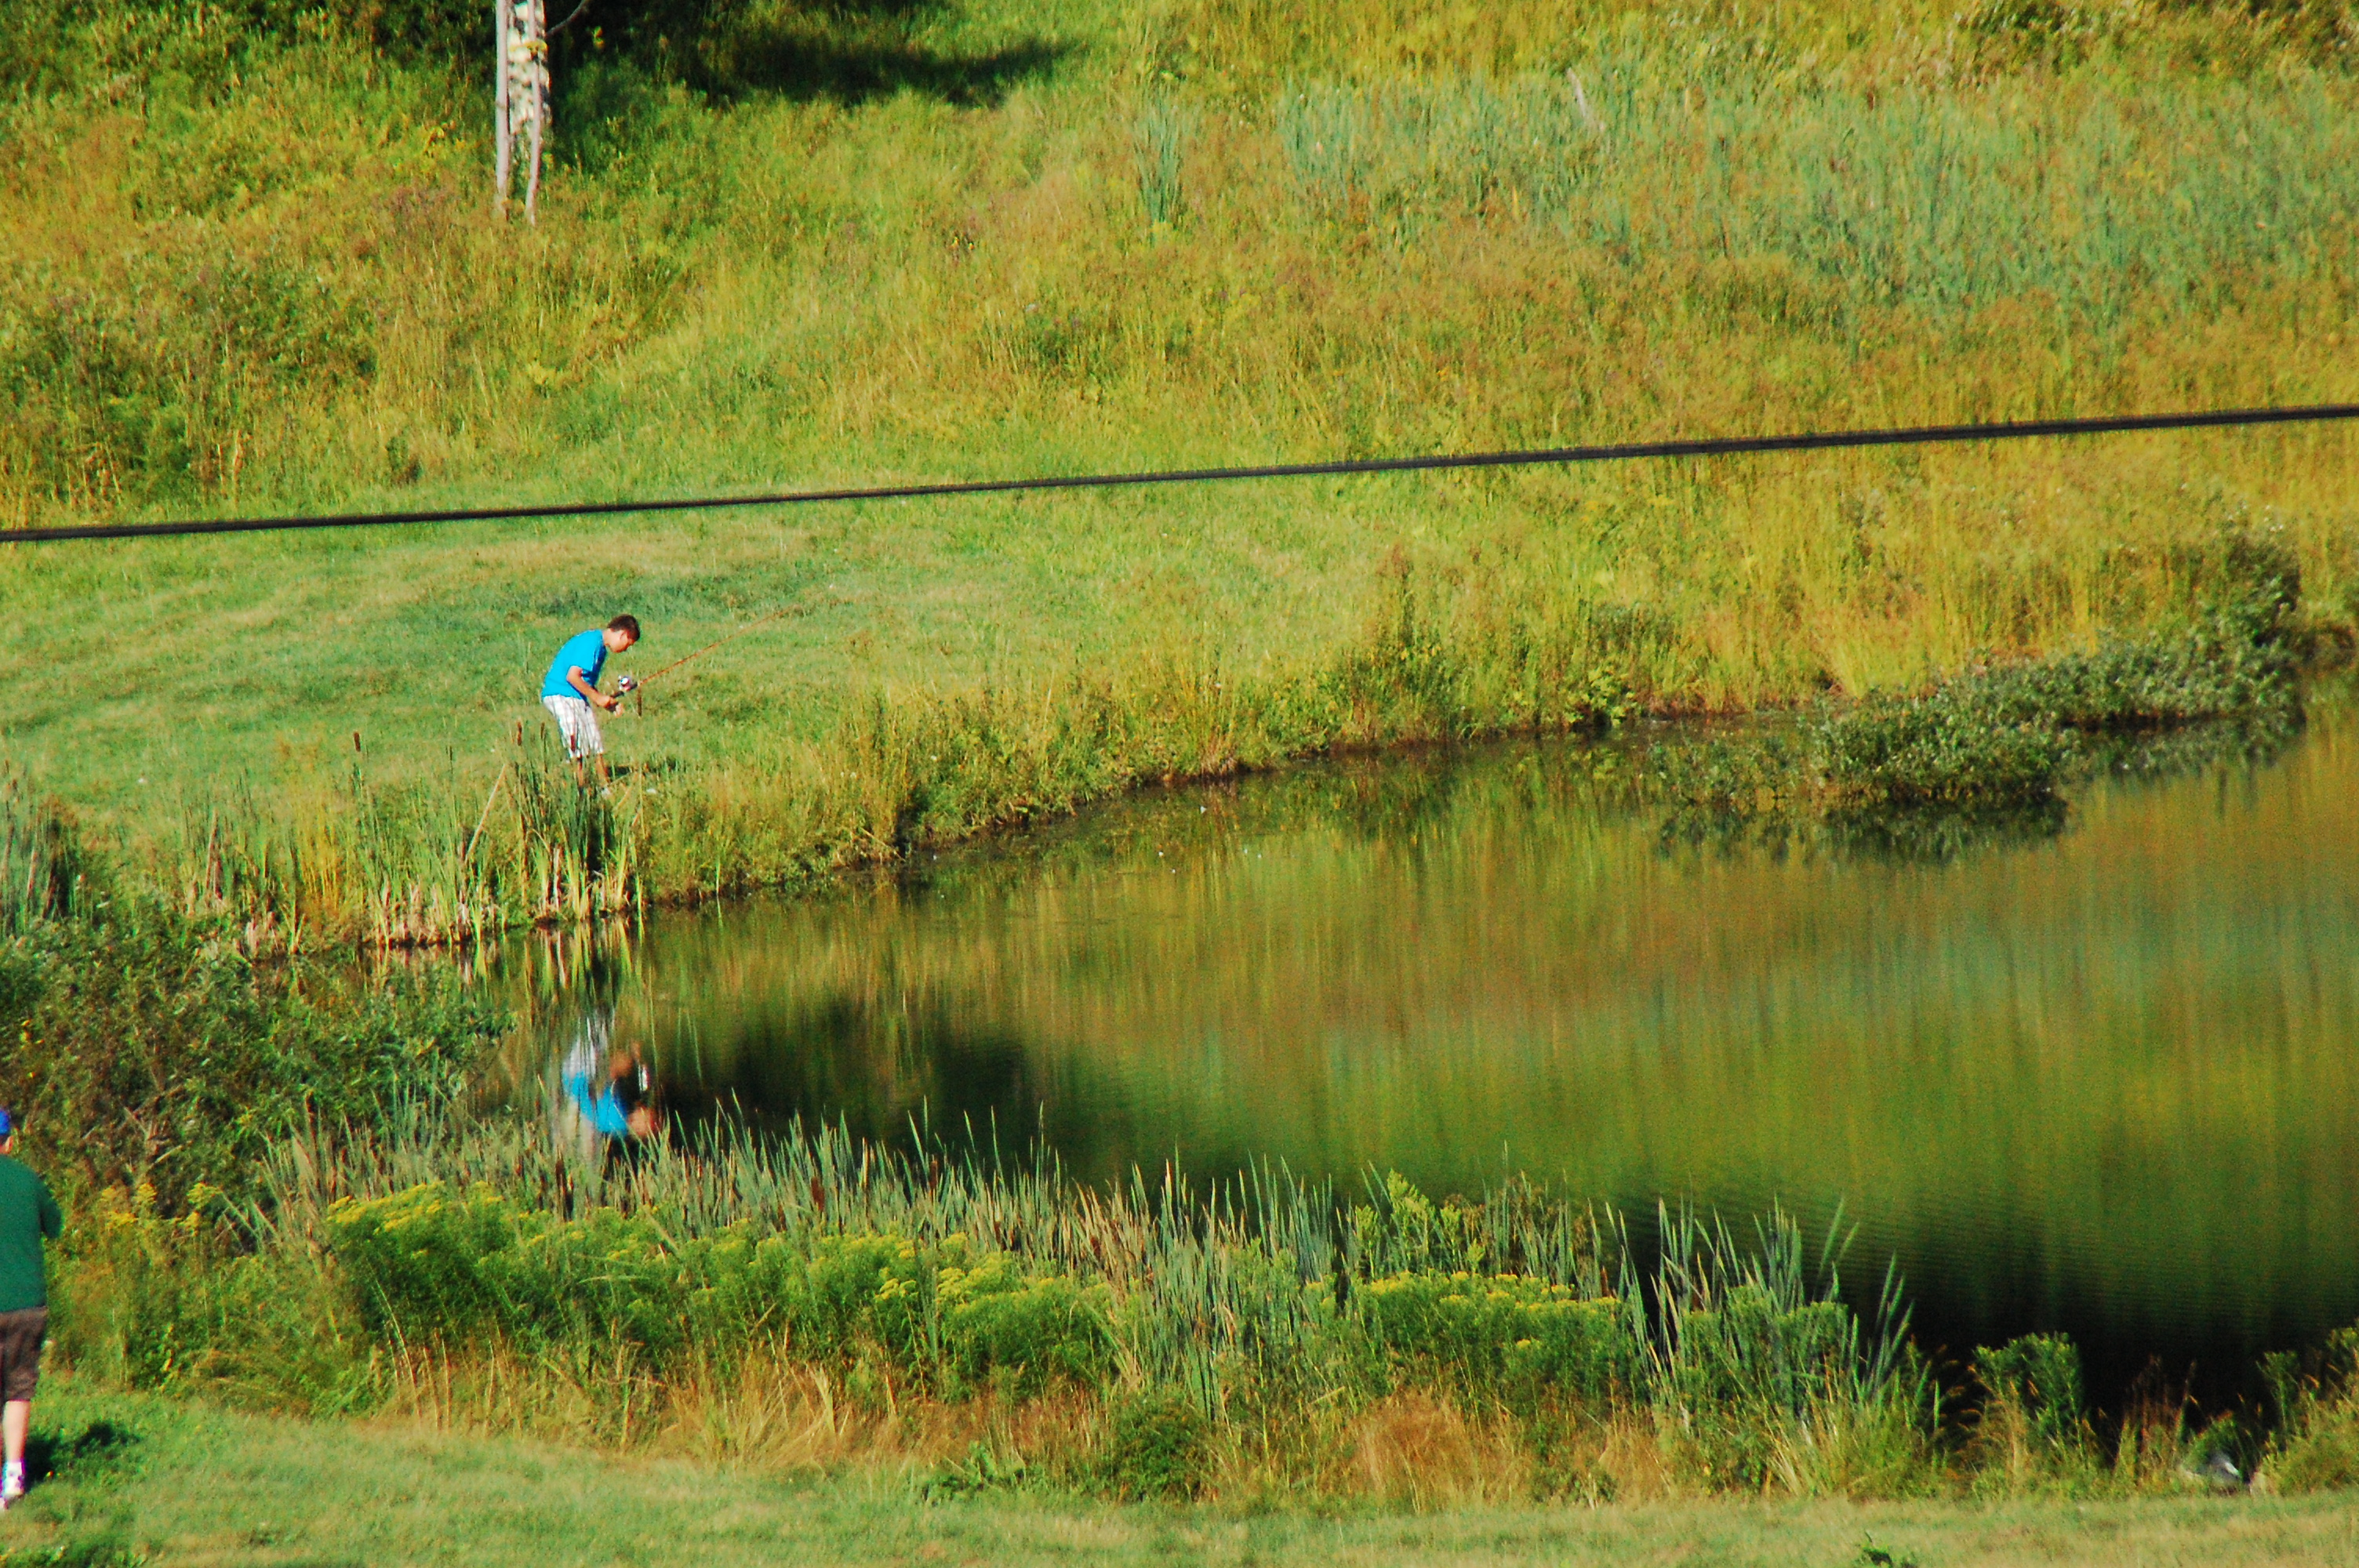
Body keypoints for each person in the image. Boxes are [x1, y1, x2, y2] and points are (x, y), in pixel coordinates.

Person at [0, 1110, 61, 1511]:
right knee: (18, 1389)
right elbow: (55, 1226)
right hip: (27, 1304)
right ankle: (13, 1476)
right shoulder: (28, 1179)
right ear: (9, 1141)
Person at [540, 615, 641, 782]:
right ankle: (579, 787)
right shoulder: (592, 643)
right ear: (623, 634)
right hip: (560, 694)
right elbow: (572, 677)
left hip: (577, 697)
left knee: (595, 744)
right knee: (576, 744)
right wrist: (598, 698)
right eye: (628, 644)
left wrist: (606, 703)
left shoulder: (600, 649)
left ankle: (604, 786)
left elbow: (586, 683)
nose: (625, 649)